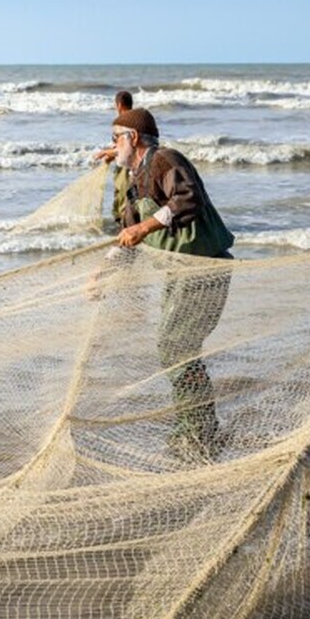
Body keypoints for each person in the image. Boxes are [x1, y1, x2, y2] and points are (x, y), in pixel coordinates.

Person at [112, 107, 236, 461]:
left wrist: (144, 228)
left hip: (205, 268)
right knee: (176, 348)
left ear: (132, 137)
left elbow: (186, 201)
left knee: (176, 346)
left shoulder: (165, 160)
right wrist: (101, 273)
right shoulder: (136, 178)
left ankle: (200, 430)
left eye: (115, 138)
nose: (112, 147)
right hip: (180, 272)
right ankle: (196, 426)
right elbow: (128, 234)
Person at [93, 90, 134, 226]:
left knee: (123, 200)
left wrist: (106, 152)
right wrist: (110, 155)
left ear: (119, 105)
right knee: (126, 198)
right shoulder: (136, 121)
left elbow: (125, 148)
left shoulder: (122, 123)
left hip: (125, 167)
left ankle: (125, 232)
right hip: (131, 166)